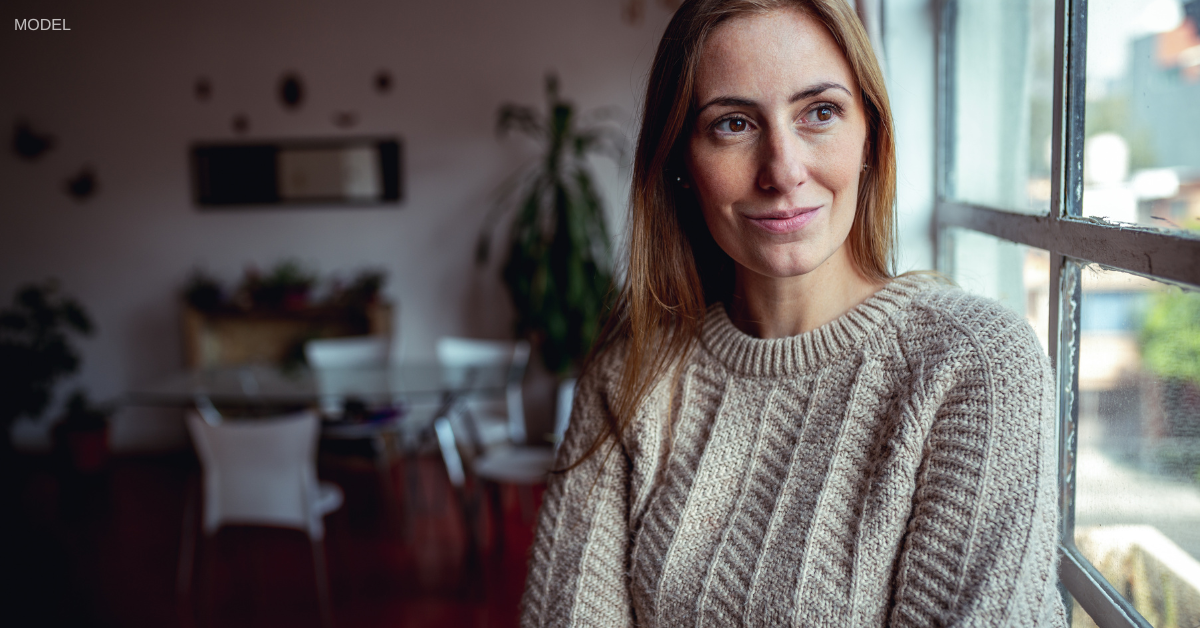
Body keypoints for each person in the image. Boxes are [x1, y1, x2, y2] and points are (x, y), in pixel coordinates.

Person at [520, 0, 1066, 625]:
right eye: (733, 124)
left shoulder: (976, 366)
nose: (782, 171)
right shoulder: (632, 370)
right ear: (680, 164)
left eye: (820, 112)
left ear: (870, 136)